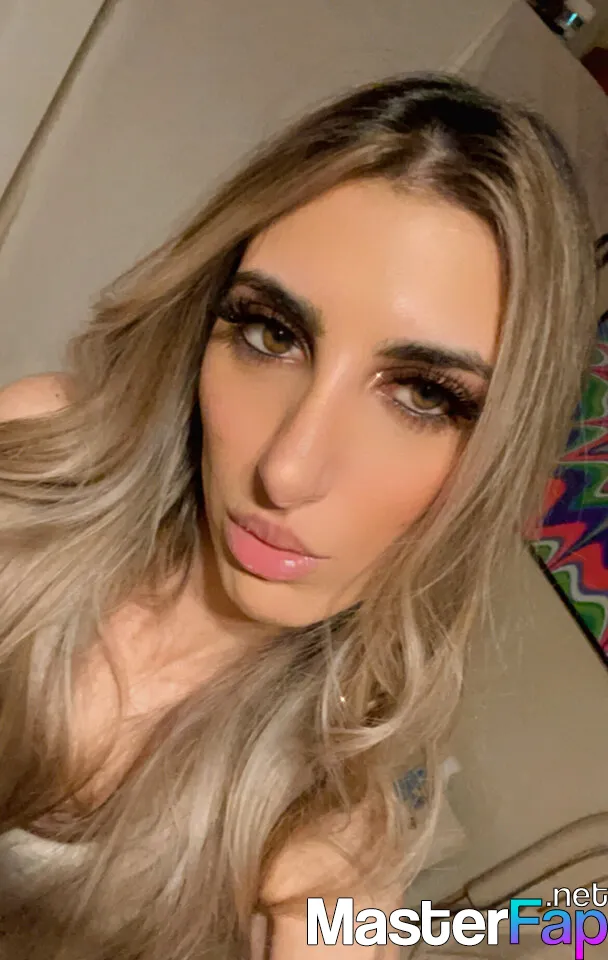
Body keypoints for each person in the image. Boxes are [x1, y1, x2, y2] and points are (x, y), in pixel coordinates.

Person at [0, 73, 597, 959]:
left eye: (425, 395)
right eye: (272, 334)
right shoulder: (35, 460)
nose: (287, 469)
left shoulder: (330, 824)